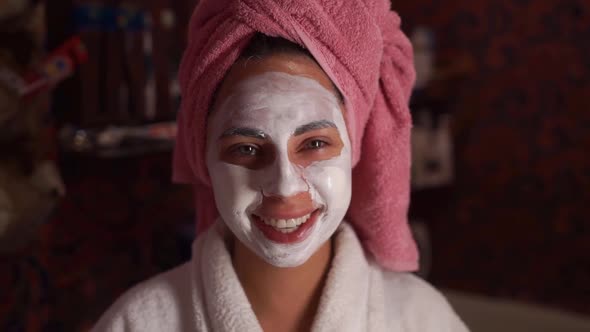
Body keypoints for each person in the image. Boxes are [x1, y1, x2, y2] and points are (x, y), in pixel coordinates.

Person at [93, 0, 469, 331]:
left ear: (354, 149)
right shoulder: (136, 323)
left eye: (315, 144)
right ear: (201, 157)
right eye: (246, 148)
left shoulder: (423, 320)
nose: (286, 186)